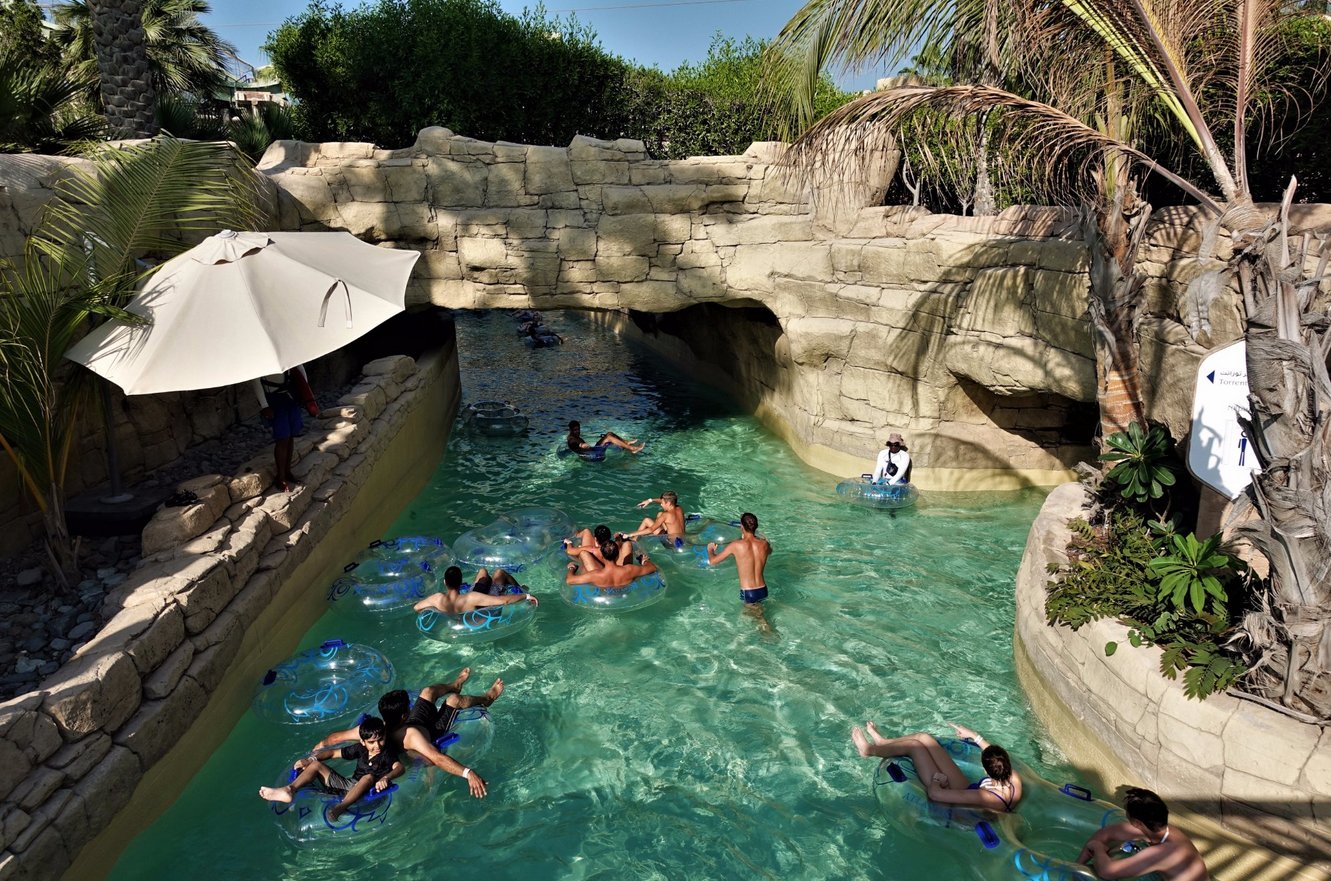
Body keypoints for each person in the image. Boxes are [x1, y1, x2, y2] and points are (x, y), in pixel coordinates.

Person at [310, 668, 501, 798]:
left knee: (428, 692)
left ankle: (455, 683)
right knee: (454, 700)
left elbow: (336, 737)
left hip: (416, 722)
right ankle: (488, 698)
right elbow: (436, 758)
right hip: (432, 730)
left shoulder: (379, 726)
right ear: (404, 714)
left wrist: (319, 746)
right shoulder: (409, 736)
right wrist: (468, 773)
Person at [851, 721, 1023, 812]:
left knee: (913, 746)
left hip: (957, 804)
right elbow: (992, 754)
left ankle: (869, 751)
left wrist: (936, 781)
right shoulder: (1011, 776)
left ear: (985, 770)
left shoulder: (989, 797)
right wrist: (973, 736)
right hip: (967, 788)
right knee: (924, 738)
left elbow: (935, 795)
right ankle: (882, 743)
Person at [260, 715, 402, 820]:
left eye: (380, 740)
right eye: (372, 742)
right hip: (350, 786)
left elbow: (399, 767)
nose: (377, 746)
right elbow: (333, 752)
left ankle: (339, 808)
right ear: (363, 742)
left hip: (368, 793)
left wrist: (385, 777)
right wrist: (310, 759)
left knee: (368, 777)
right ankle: (290, 790)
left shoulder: (386, 753)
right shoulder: (361, 749)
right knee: (315, 765)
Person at [1077, 788, 1209, 880]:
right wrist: (1077, 866)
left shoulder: (1164, 852)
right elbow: (1106, 833)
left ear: (1136, 822)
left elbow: (1108, 872)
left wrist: (1097, 847)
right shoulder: (1163, 830)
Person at [252, 365, 319, 492]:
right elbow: (256, 381)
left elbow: (299, 367)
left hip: (290, 396)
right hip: (274, 399)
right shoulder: (260, 358)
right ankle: (281, 477)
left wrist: (304, 390)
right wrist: (264, 405)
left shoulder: (284, 352)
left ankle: (287, 472)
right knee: (282, 438)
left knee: (291, 436)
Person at [706, 511, 773, 631]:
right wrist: (765, 539)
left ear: (742, 527)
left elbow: (713, 561)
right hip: (763, 589)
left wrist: (710, 549)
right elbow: (769, 551)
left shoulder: (736, 545)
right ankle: (765, 629)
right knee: (756, 613)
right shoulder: (764, 544)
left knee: (756, 619)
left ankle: (767, 631)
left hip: (749, 592)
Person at [414, 566, 538, 613]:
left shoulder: (437, 598)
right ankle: (521, 588)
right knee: (499, 573)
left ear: (445, 582)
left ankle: (486, 578)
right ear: (461, 582)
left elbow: (417, 608)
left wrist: (439, 612)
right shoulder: (471, 597)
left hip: (469, 598)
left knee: (483, 571)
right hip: (482, 602)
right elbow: (504, 601)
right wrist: (526, 596)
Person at [565, 540, 658, 589]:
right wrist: (644, 561)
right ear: (618, 555)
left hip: (603, 594)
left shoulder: (595, 575)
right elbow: (652, 567)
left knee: (583, 556)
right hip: (625, 593)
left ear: (602, 555)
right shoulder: (629, 569)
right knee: (627, 544)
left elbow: (570, 580)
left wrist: (572, 568)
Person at [564, 524, 633, 564]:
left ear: (595, 539)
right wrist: (618, 537)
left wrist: (569, 543)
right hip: (610, 565)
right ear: (609, 538)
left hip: (595, 562)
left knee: (586, 531)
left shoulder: (591, 549)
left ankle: (576, 534)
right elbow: (619, 542)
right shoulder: (615, 546)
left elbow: (570, 551)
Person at [567, 420, 644, 454]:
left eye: (578, 429)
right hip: (591, 453)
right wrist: (584, 445)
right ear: (571, 430)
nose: (577, 431)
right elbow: (579, 444)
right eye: (575, 430)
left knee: (609, 433)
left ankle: (626, 442)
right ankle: (632, 449)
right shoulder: (571, 439)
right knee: (609, 438)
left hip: (592, 449)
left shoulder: (576, 436)